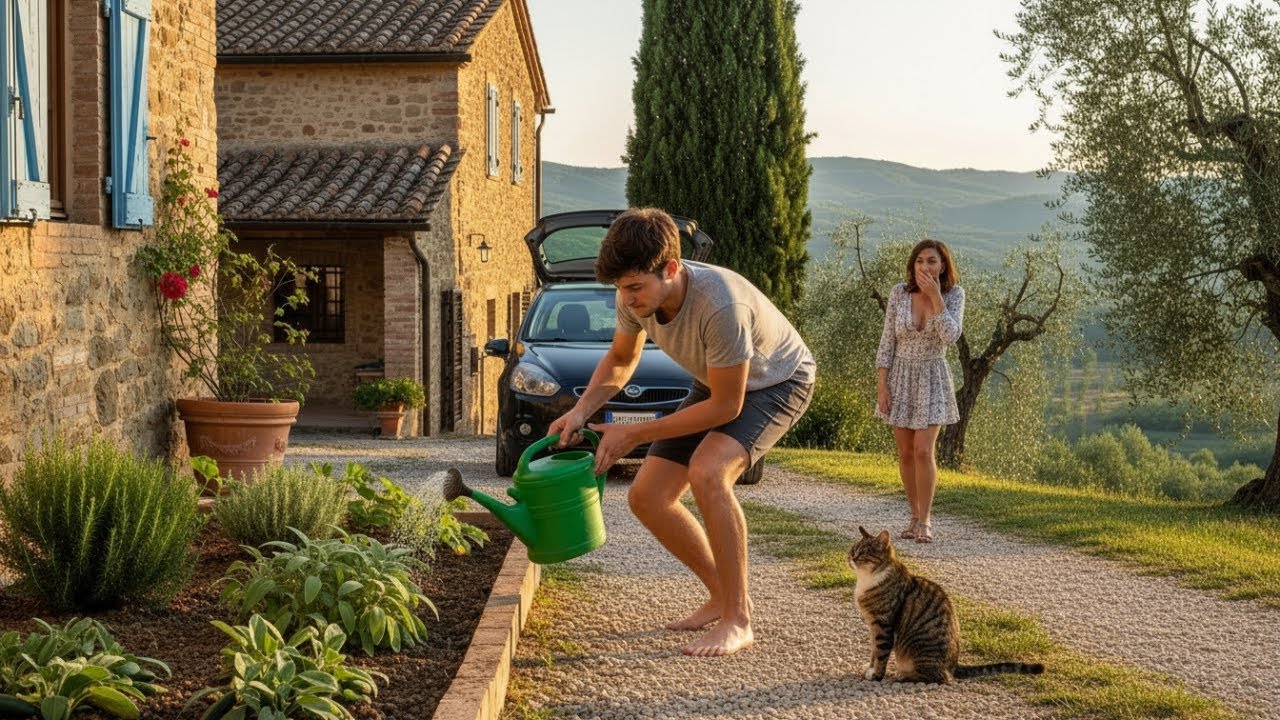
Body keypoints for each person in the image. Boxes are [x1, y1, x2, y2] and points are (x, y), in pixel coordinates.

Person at [548, 207, 815, 657]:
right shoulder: (633, 297)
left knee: (709, 472)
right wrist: (579, 411)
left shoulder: (720, 303)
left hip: (777, 381)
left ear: (670, 269)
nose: (627, 299)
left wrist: (635, 434)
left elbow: (728, 406)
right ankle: (722, 596)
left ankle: (738, 620)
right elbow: (621, 360)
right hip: (718, 381)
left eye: (635, 287)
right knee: (647, 497)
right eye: (620, 288)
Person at [874, 238, 965, 544]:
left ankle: (925, 520)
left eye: (932, 261)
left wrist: (936, 297)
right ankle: (913, 516)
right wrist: (882, 387)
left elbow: (950, 336)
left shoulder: (954, 294)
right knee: (905, 453)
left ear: (943, 266)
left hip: (933, 376)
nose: (925, 266)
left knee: (924, 450)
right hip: (900, 377)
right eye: (920, 261)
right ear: (913, 265)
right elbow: (887, 342)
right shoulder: (899, 293)